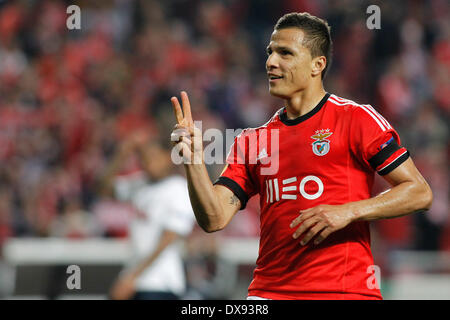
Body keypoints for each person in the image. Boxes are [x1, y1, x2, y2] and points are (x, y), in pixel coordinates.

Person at [169, 12, 433, 300]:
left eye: (285, 53)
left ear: (317, 65)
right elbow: (214, 219)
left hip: (342, 292)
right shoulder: (253, 141)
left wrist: (349, 211)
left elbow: (419, 192)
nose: (271, 62)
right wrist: (194, 163)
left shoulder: (356, 119)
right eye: (270, 52)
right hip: (268, 293)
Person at [101, 132, 195, 300]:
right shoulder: (140, 184)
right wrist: (121, 156)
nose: (148, 162)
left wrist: (132, 277)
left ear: (168, 157)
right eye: (144, 157)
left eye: (153, 156)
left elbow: (168, 239)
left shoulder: (179, 189)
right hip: (136, 278)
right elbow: (102, 189)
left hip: (161, 282)